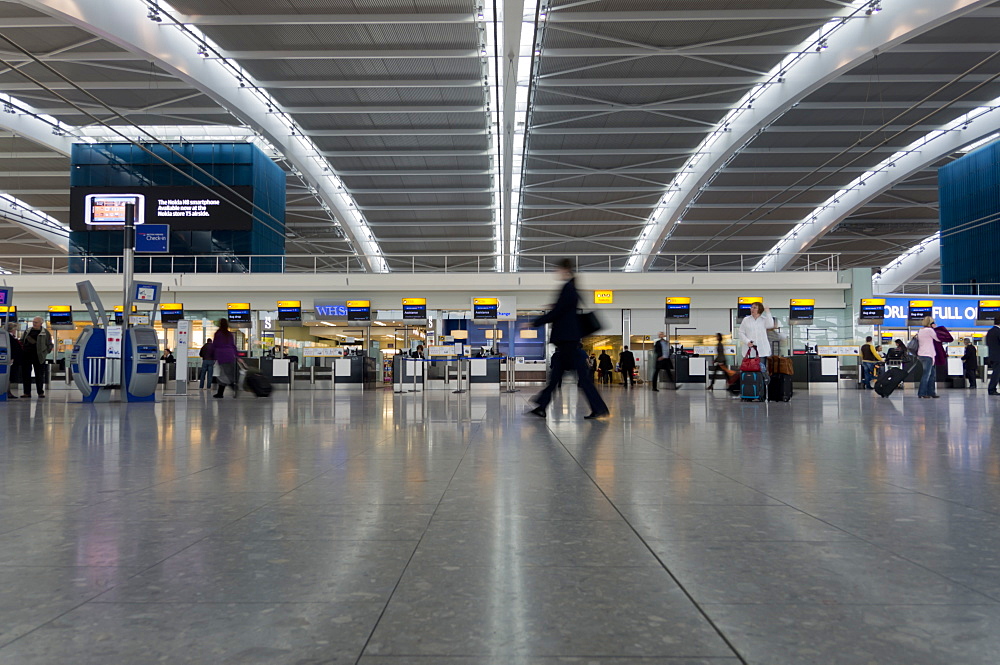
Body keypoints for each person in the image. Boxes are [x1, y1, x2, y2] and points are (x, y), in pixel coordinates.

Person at [528, 259, 609, 419]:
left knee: (574, 377)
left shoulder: (568, 287)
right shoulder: (571, 287)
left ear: (565, 270)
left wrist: (535, 322)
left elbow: (558, 312)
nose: (556, 272)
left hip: (567, 339)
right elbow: (563, 310)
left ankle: (598, 407)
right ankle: (542, 406)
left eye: (558, 269)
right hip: (568, 339)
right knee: (558, 375)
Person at [738, 302, 774, 382]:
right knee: (749, 371)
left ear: (759, 310)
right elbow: (741, 332)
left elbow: (770, 325)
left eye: (755, 308)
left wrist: (768, 312)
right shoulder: (746, 320)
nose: (752, 309)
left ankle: (761, 390)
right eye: (752, 307)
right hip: (749, 351)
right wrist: (747, 341)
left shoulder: (764, 320)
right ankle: (750, 390)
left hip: (761, 351)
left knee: (761, 371)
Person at [19, 317, 52, 399]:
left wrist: (45, 352)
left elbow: (49, 344)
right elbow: (22, 341)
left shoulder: (45, 332)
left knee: (39, 374)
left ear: (41, 323)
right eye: (33, 322)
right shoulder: (27, 331)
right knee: (26, 374)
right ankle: (27, 392)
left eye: (36, 322)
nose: (34, 323)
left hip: (38, 356)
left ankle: (40, 392)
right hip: (26, 355)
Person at [212, 319, 240, 398]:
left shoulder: (218, 333)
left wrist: (213, 356)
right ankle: (221, 392)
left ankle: (231, 387)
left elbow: (215, 345)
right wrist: (237, 355)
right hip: (230, 355)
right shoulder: (229, 334)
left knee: (223, 375)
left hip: (221, 355)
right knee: (226, 373)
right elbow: (233, 345)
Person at [915, 316, 940, 398]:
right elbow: (938, 339)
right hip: (928, 355)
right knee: (926, 375)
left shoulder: (920, 331)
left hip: (921, 354)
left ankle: (931, 392)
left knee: (932, 374)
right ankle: (922, 393)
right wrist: (936, 329)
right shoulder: (929, 330)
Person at [5, 322, 21, 398]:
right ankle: (7, 391)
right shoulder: (8, 337)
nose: (15, 330)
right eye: (15, 329)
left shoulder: (11, 337)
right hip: (11, 360)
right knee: (8, 376)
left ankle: (8, 391)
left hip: (13, 359)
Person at [987, 315, 1000, 395]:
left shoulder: (990, 331)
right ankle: (992, 389)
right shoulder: (998, 332)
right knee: (996, 373)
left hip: (992, 355)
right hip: (998, 356)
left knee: (997, 372)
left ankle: (992, 388)